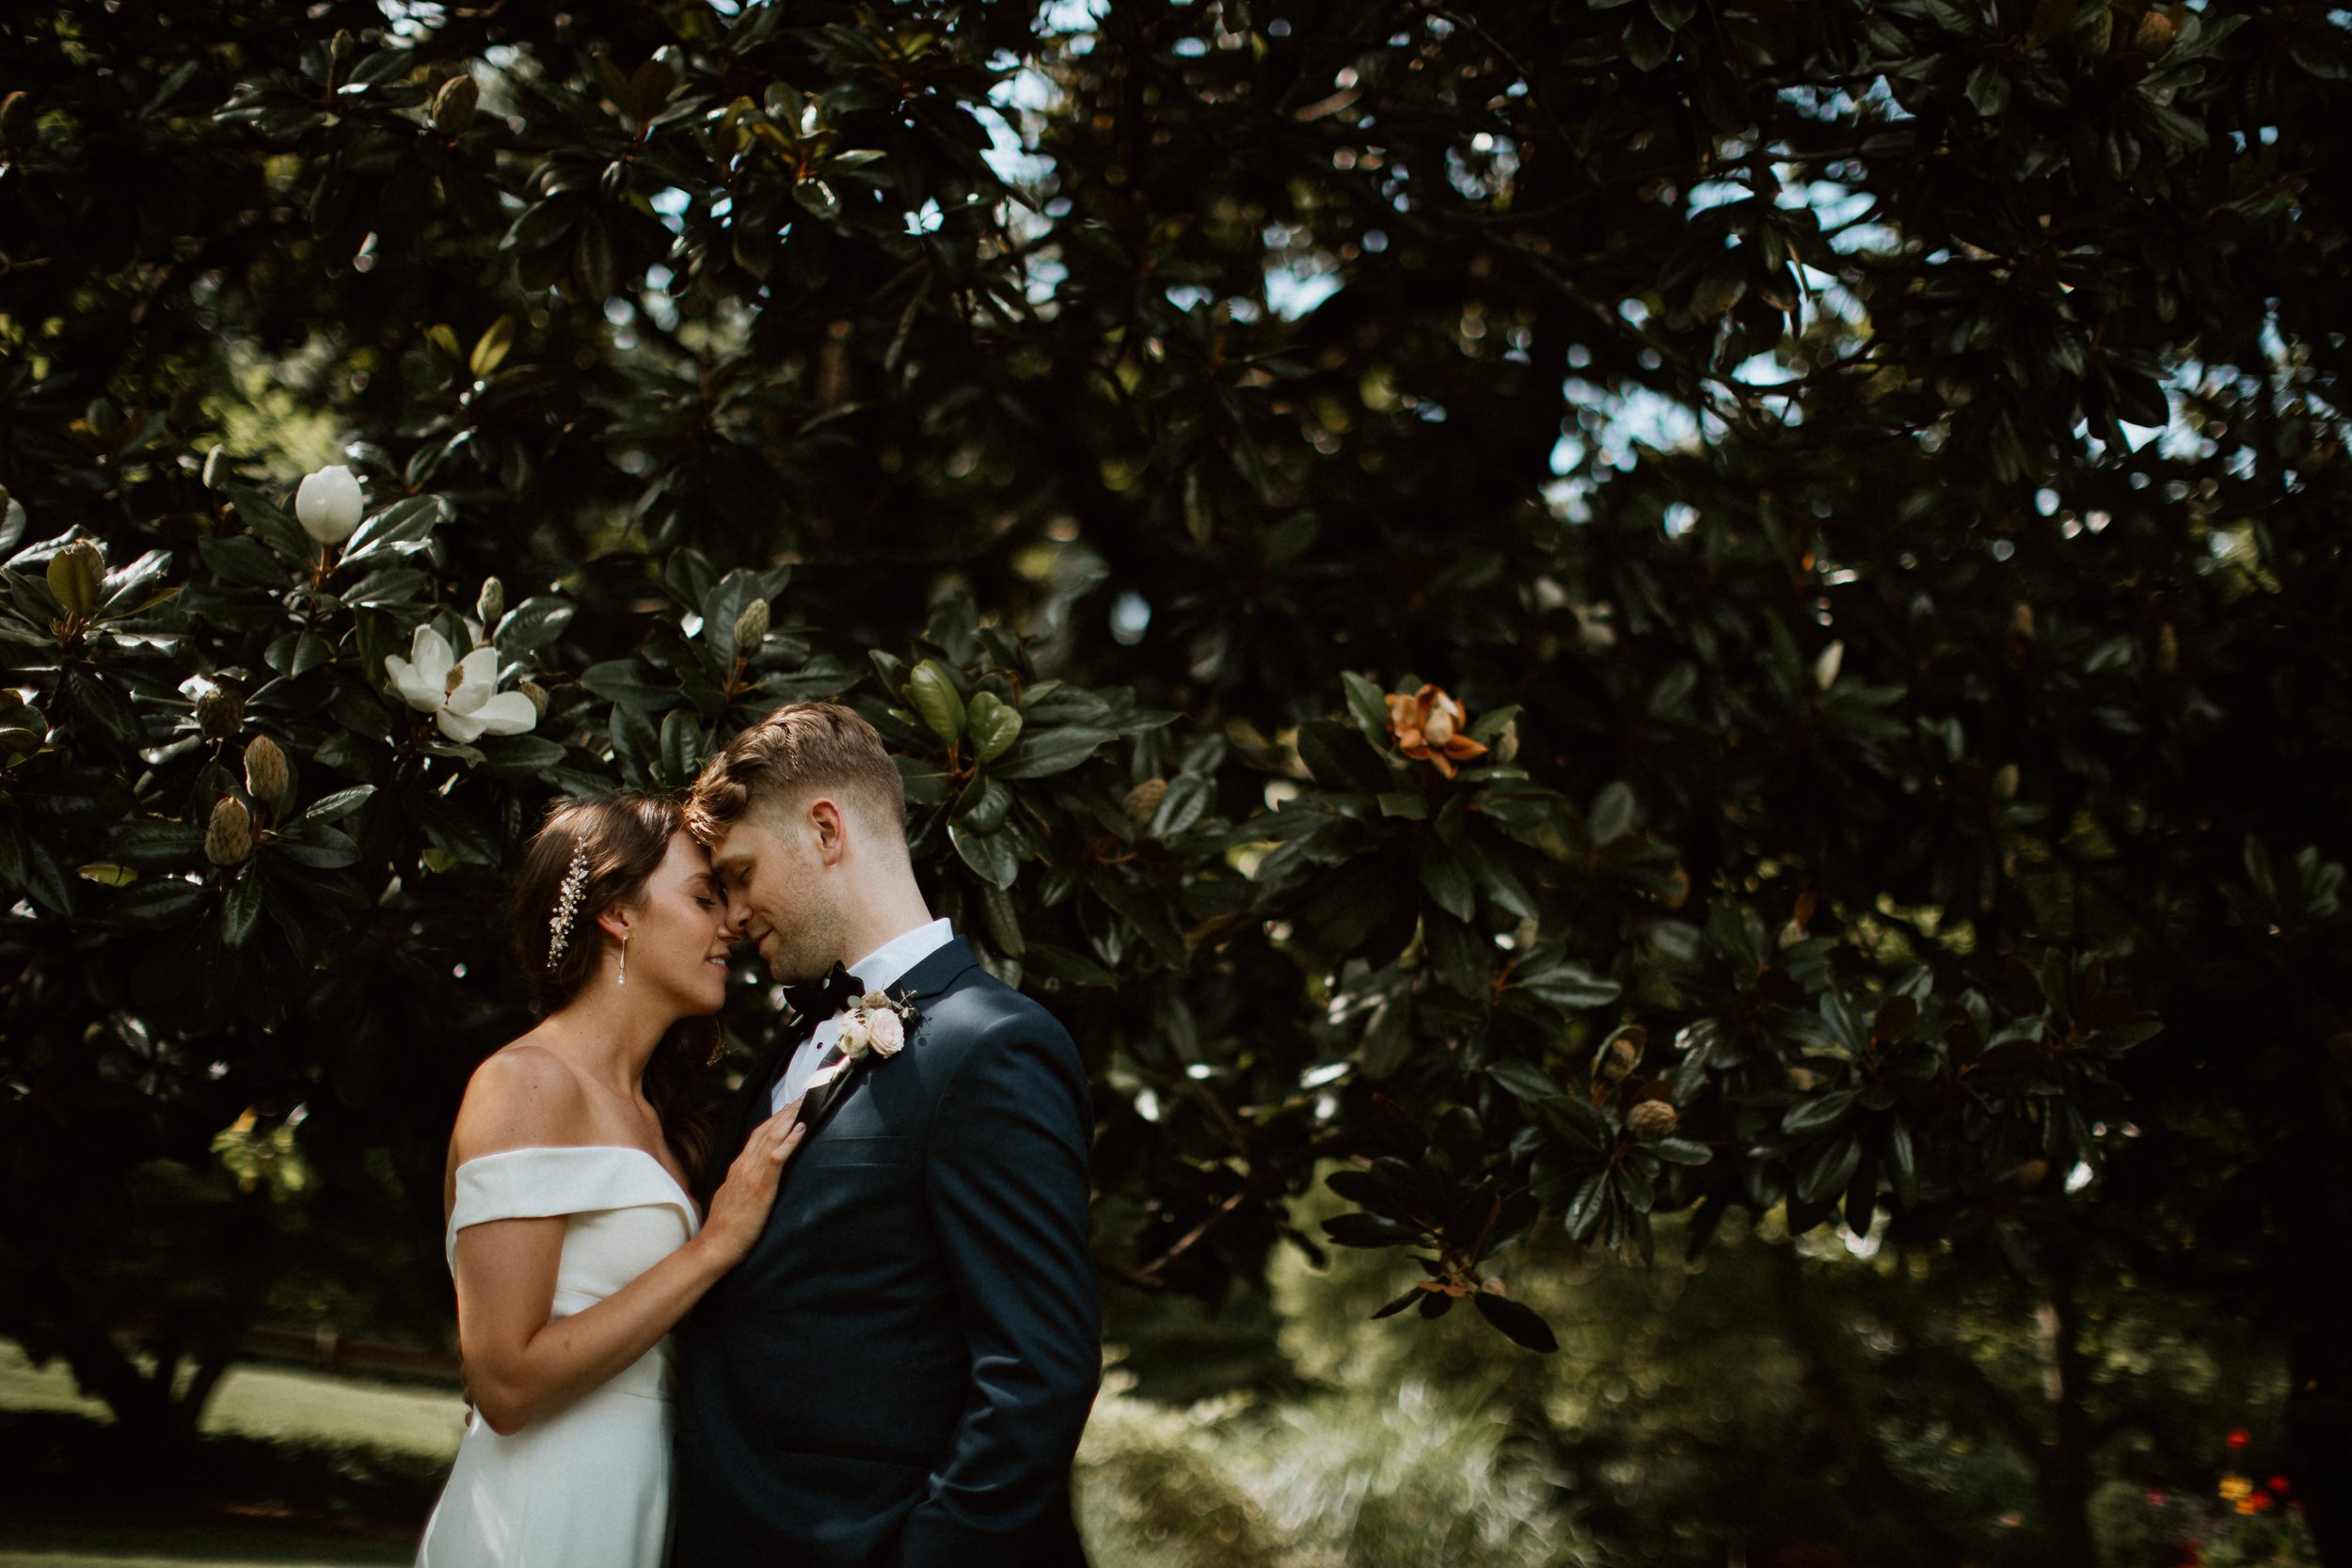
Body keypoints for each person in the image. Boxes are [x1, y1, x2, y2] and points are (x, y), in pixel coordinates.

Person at [673, 701, 1102, 1568]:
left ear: (826, 830)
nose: (733, 914)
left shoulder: (994, 1046)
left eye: (743, 873)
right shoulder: (790, 1048)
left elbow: (1036, 1375)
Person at [415, 795, 807, 1568]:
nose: (732, 921)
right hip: (545, 1510)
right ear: (616, 914)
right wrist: (713, 1245)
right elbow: (504, 1381)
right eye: (703, 898)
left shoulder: (659, 1119)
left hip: (647, 1496)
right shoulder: (525, 1084)